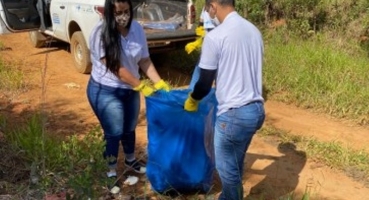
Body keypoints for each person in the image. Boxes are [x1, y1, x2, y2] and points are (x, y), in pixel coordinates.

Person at [184, 0, 265, 199]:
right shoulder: (254, 31)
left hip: (234, 115)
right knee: (235, 164)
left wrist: (193, 99)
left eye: (207, 8)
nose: (208, 13)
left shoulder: (216, 36)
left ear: (213, 6)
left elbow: (204, 82)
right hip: (256, 111)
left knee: (227, 171)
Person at [86, 0, 170, 194]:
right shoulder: (100, 33)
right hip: (106, 89)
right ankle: (110, 171)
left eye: (126, 11)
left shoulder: (137, 30)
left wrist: (159, 83)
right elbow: (115, 66)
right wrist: (140, 85)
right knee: (114, 131)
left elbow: (144, 59)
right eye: (118, 12)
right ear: (108, 12)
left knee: (130, 127)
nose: (123, 16)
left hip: (129, 89)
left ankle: (131, 161)